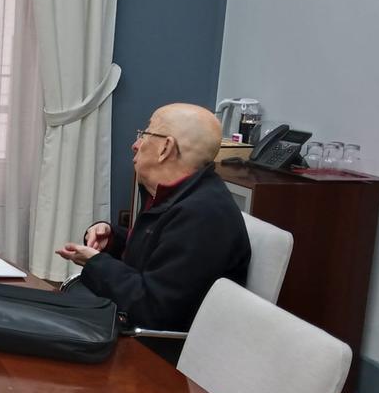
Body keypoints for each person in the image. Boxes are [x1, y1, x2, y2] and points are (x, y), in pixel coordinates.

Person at [56, 103, 250, 333]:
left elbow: (152, 308)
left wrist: (95, 263)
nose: (135, 145)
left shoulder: (203, 216)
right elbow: (159, 253)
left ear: (165, 148)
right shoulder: (179, 194)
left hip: (161, 352)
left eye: (144, 134)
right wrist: (114, 240)